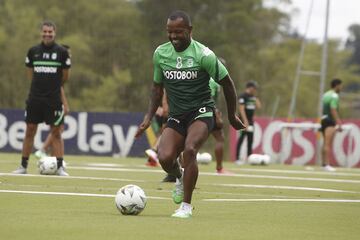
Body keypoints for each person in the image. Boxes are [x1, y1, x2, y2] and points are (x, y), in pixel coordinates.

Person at [135, 10, 245, 218]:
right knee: (165, 158)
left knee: (190, 149)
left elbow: (228, 84)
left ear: (190, 31)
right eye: (170, 32)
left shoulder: (204, 55)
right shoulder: (160, 53)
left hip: (201, 112)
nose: (173, 36)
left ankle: (186, 206)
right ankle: (179, 176)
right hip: (177, 115)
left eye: (179, 32)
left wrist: (232, 116)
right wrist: (148, 117)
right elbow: (157, 88)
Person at [12, 21, 71, 176]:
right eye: (45, 31)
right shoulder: (33, 51)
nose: (47, 34)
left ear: (55, 33)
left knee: (56, 133)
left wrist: (54, 89)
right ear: (41, 33)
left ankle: (60, 168)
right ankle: (23, 166)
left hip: (53, 100)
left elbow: (64, 77)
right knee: (30, 131)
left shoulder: (62, 52)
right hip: (35, 99)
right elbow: (31, 74)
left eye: (50, 32)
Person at [34, 44, 71, 159]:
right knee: (58, 130)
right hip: (53, 99)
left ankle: (52, 157)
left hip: (52, 98)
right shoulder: (59, 68)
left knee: (58, 130)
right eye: (68, 54)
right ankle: (45, 151)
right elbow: (59, 87)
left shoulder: (62, 66)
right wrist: (65, 104)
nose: (69, 56)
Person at [235, 81, 261, 164]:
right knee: (241, 139)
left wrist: (255, 98)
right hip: (243, 121)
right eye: (254, 88)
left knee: (250, 140)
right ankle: (238, 158)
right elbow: (241, 109)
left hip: (251, 121)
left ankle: (250, 158)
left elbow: (259, 106)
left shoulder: (253, 97)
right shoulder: (243, 96)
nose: (255, 90)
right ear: (249, 87)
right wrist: (245, 121)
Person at [320, 78, 343, 172]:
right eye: (341, 86)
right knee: (328, 143)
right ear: (337, 85)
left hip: (323, 119)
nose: (341, 88)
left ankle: (323, 164)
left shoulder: (325, 94)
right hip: (330, 120)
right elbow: (333, 109)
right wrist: (338, 122)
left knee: (325, 142)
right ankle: (327, 164)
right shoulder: (334, 96)